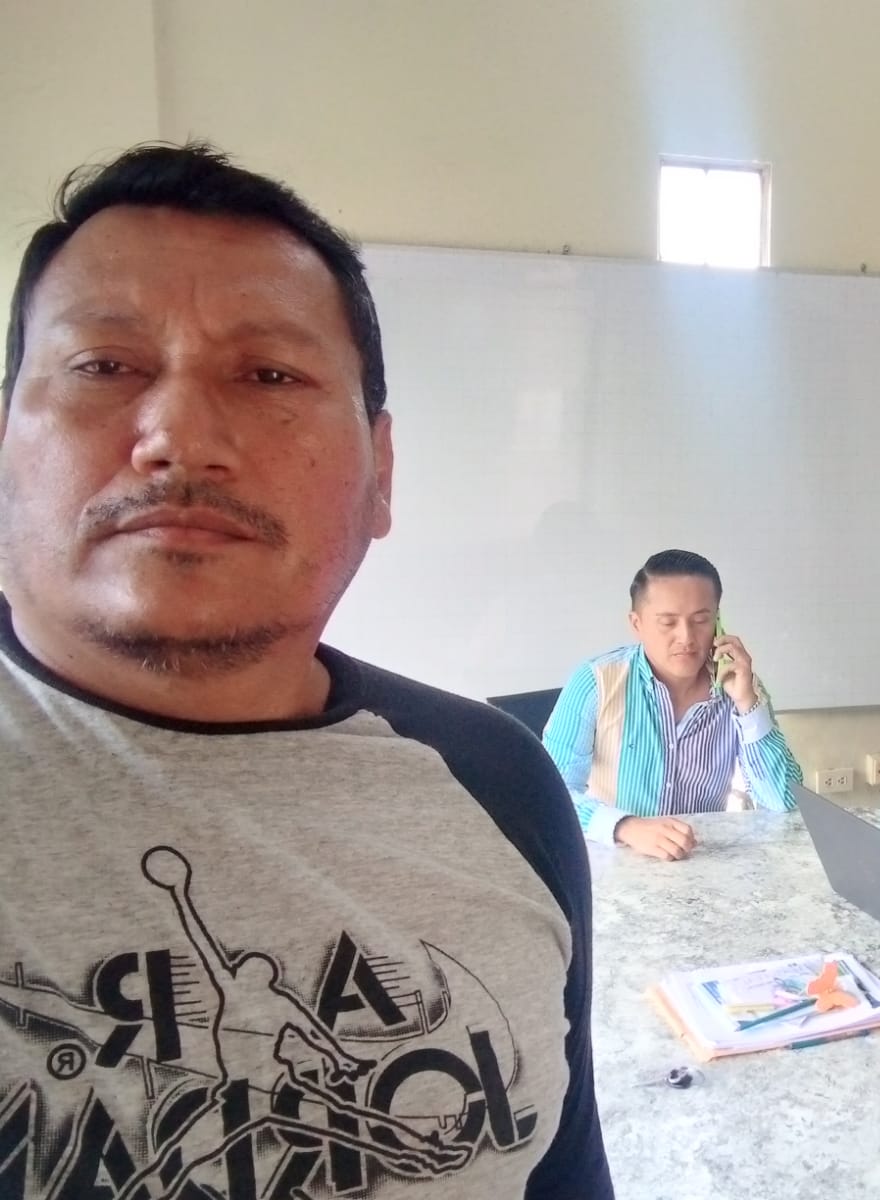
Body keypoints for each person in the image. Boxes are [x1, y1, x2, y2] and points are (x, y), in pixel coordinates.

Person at [0, 144, 612, 1199]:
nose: (178, 435)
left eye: (270, 376)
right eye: (104, 365)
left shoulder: (497, 782)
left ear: (382, 473)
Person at [543, 549, 802, 861]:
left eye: (701, 620)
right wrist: (625, 826)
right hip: (617, 864)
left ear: (718, 622)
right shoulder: (596, 682)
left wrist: (747, 704)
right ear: (637, 624)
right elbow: (550, 794)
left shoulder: (740, 685)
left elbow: (785, 802)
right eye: (668, 622)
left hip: (701, 862)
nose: (686, 637)